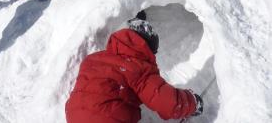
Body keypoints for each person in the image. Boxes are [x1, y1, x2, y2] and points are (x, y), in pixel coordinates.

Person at [66, 14, 203, 122]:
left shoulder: (93, 58)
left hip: (73, 116)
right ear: (147, 47)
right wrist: (193, 102)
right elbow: (168, 103)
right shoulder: (137, 66)